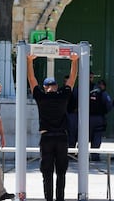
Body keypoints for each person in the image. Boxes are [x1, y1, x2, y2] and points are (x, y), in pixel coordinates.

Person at [27, 53, 78, 201]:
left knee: (47, 173)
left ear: (44, 87)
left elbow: (31, 79)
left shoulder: (41, 97)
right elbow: (72, 79)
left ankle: (49, 199)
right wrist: (74, 62)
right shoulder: (62, 96)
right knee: (61, 173)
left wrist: (29, 61)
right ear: (55, 87)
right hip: (62, 137)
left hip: (47, 137)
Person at [89, 79, 112, 161]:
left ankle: (82, 155)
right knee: (97, 138)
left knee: (84, 138)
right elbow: (109, 106)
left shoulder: (89, 92)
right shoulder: (104, 94)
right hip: (99, 118)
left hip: (87, 118)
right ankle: (95, 156)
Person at [63, 75, 78, 149]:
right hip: (63, 114)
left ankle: (71, 151)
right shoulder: (62, 90)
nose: (66, 83)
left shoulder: (76, 91)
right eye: (65, 81)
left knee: (72, 133)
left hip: (72, 114)